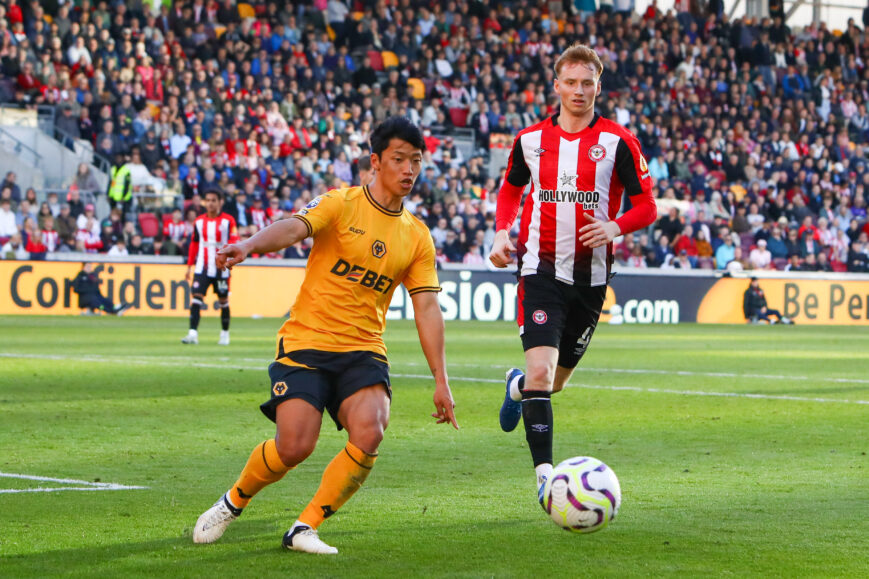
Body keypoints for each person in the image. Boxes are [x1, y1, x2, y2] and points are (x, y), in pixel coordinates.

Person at [192, 117, 458, 554]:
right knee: (295, 445)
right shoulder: (341, 203)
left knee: (370, 431)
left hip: (363, 349)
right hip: (307, 341)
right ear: (375, 161)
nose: (409, 170)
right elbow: (296, 227)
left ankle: (305, 527)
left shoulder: (417, 237)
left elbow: (426, 306)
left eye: (416, 161)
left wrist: (441, 379)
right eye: (399, 159)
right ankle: (232, 501)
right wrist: (249, 246)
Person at [488, 44, 657, 502]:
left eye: (588, 83)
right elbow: (510, 191)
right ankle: (546, 478)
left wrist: (615, 225)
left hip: (592, 281)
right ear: (557, 85)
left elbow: (647, 206)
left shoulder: (619, 143)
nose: (579, 91)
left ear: (598, 87)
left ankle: (516, 387)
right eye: (571, 82)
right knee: (542, 373)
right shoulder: (529, 141)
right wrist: (502, 233)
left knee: (554, 382)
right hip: (539, 269)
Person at [182, 189, 238, 346]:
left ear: (220, 202)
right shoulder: (199, 222)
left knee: (223, 301)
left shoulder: (228, 221)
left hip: (221, 269)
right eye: (208, 200)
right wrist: (189, 266)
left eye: (214, 200)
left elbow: (235, 240)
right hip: (202, 267)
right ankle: (192, 333)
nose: (210, 203)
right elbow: (194, 244)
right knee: (196, 298)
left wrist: (229, 260)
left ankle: (225, 334)